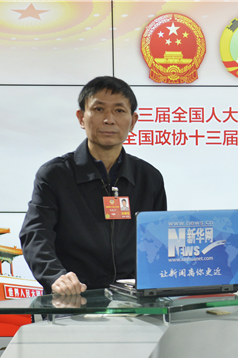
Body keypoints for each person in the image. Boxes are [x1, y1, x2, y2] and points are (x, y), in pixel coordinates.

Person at [20, 76, 167, 295]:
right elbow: (36, 234)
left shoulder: (149, 178)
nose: (109, 120)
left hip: (134, 300)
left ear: (133, 121)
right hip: (73, 297)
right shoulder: (55, 175)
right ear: (81, 118)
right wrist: (56, 276)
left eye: (119, 110)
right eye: (98, 109)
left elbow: (157, 243)